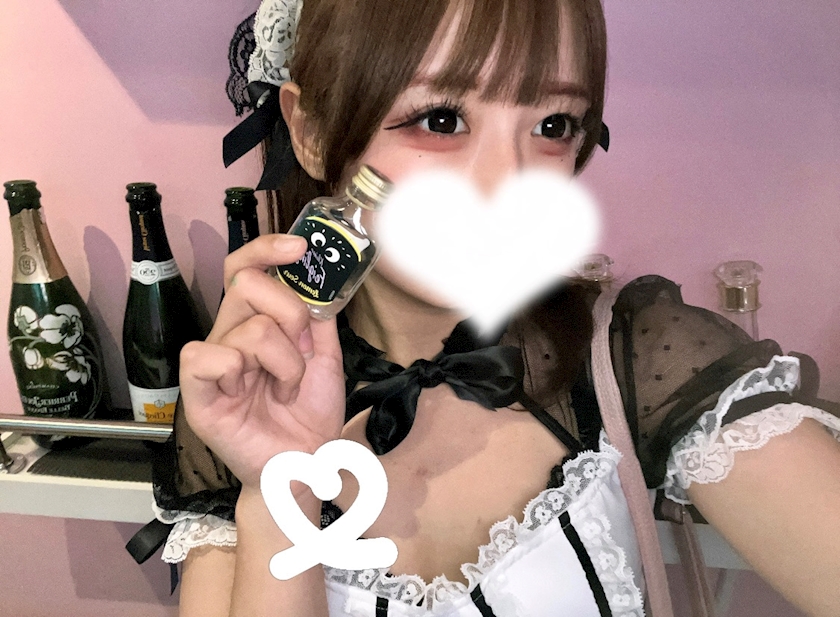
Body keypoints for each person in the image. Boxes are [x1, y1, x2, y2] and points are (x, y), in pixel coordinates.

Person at [151, 0, 840, 615]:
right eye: (441, 119)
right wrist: (282, 494)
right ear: (311, 130)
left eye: (553, 123)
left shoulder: (638, 353)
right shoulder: (244, 395)